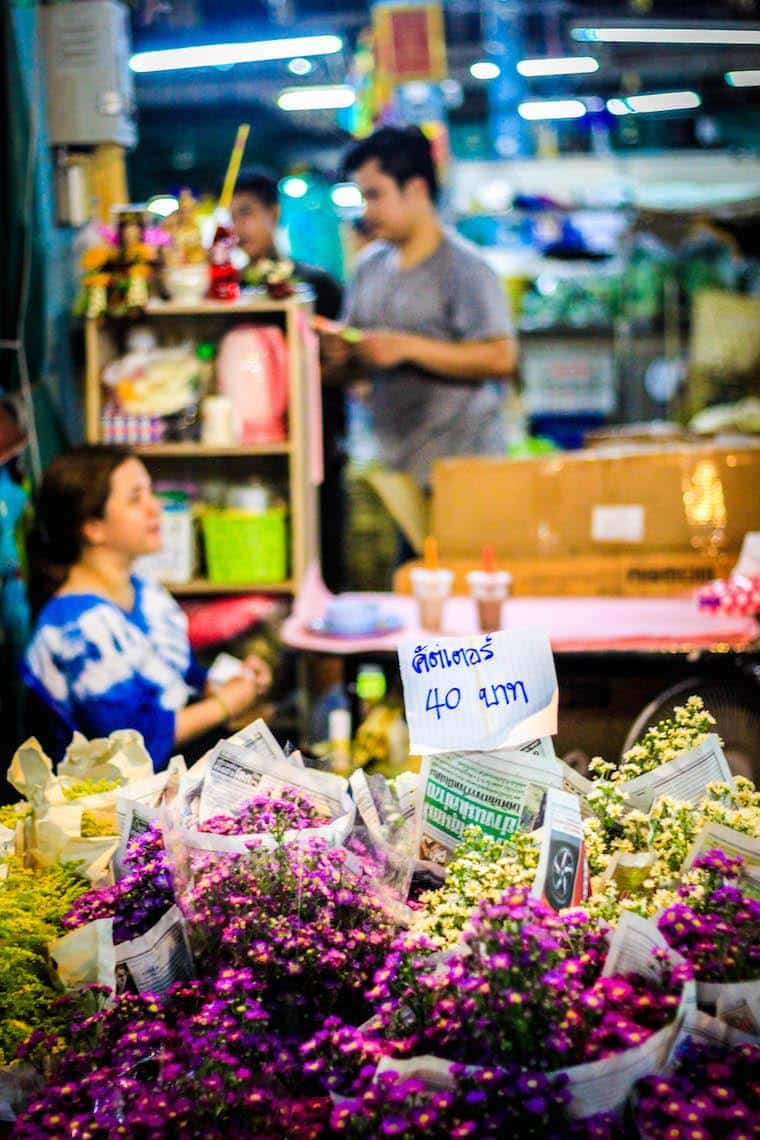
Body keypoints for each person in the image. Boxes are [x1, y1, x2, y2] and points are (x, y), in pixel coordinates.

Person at [22, 445, 271, 770]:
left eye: (150, 493)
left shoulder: (143, 591)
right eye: (135, 498)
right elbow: (130, 745)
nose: (155, 507)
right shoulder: (77, 627)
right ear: (92, 526)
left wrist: (221, 682)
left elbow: (173, 678)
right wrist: (226, 704)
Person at [319, 125, 518, 488]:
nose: (367, 211)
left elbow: (500, 357)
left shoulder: (465, 269)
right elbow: (353, 368)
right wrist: (341, 354)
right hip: (397, 469)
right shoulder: (369, 267)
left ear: (416, 189)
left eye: (375, 195)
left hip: (464, 473)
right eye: (363, 197)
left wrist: (407, 348)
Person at [231, 170, 347, 590]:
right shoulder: (229, 294)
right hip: (256, 451)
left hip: (318, 445)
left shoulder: (316, 287)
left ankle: (333, 655)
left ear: (273, 214)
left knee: (325, 553)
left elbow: (344, 366)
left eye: (247, 214)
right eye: (230, 218)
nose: (238, 228)